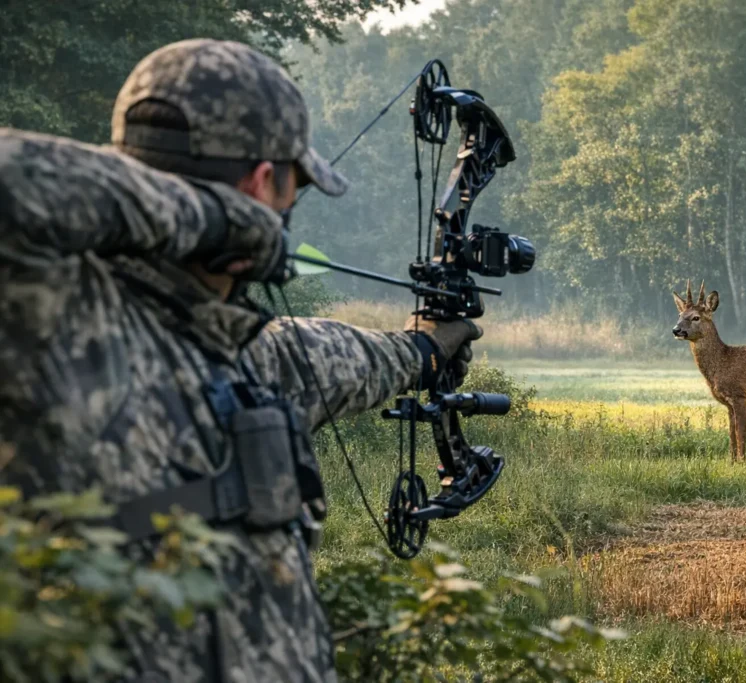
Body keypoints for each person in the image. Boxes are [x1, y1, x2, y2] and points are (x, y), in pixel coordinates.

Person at [0, 38, 481, 682]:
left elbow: (354, 360)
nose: (288, 208)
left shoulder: (258, 352)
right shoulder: (53, 318)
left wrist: (426, 347)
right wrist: (227, 219)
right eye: (292, 185)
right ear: (262, 181)